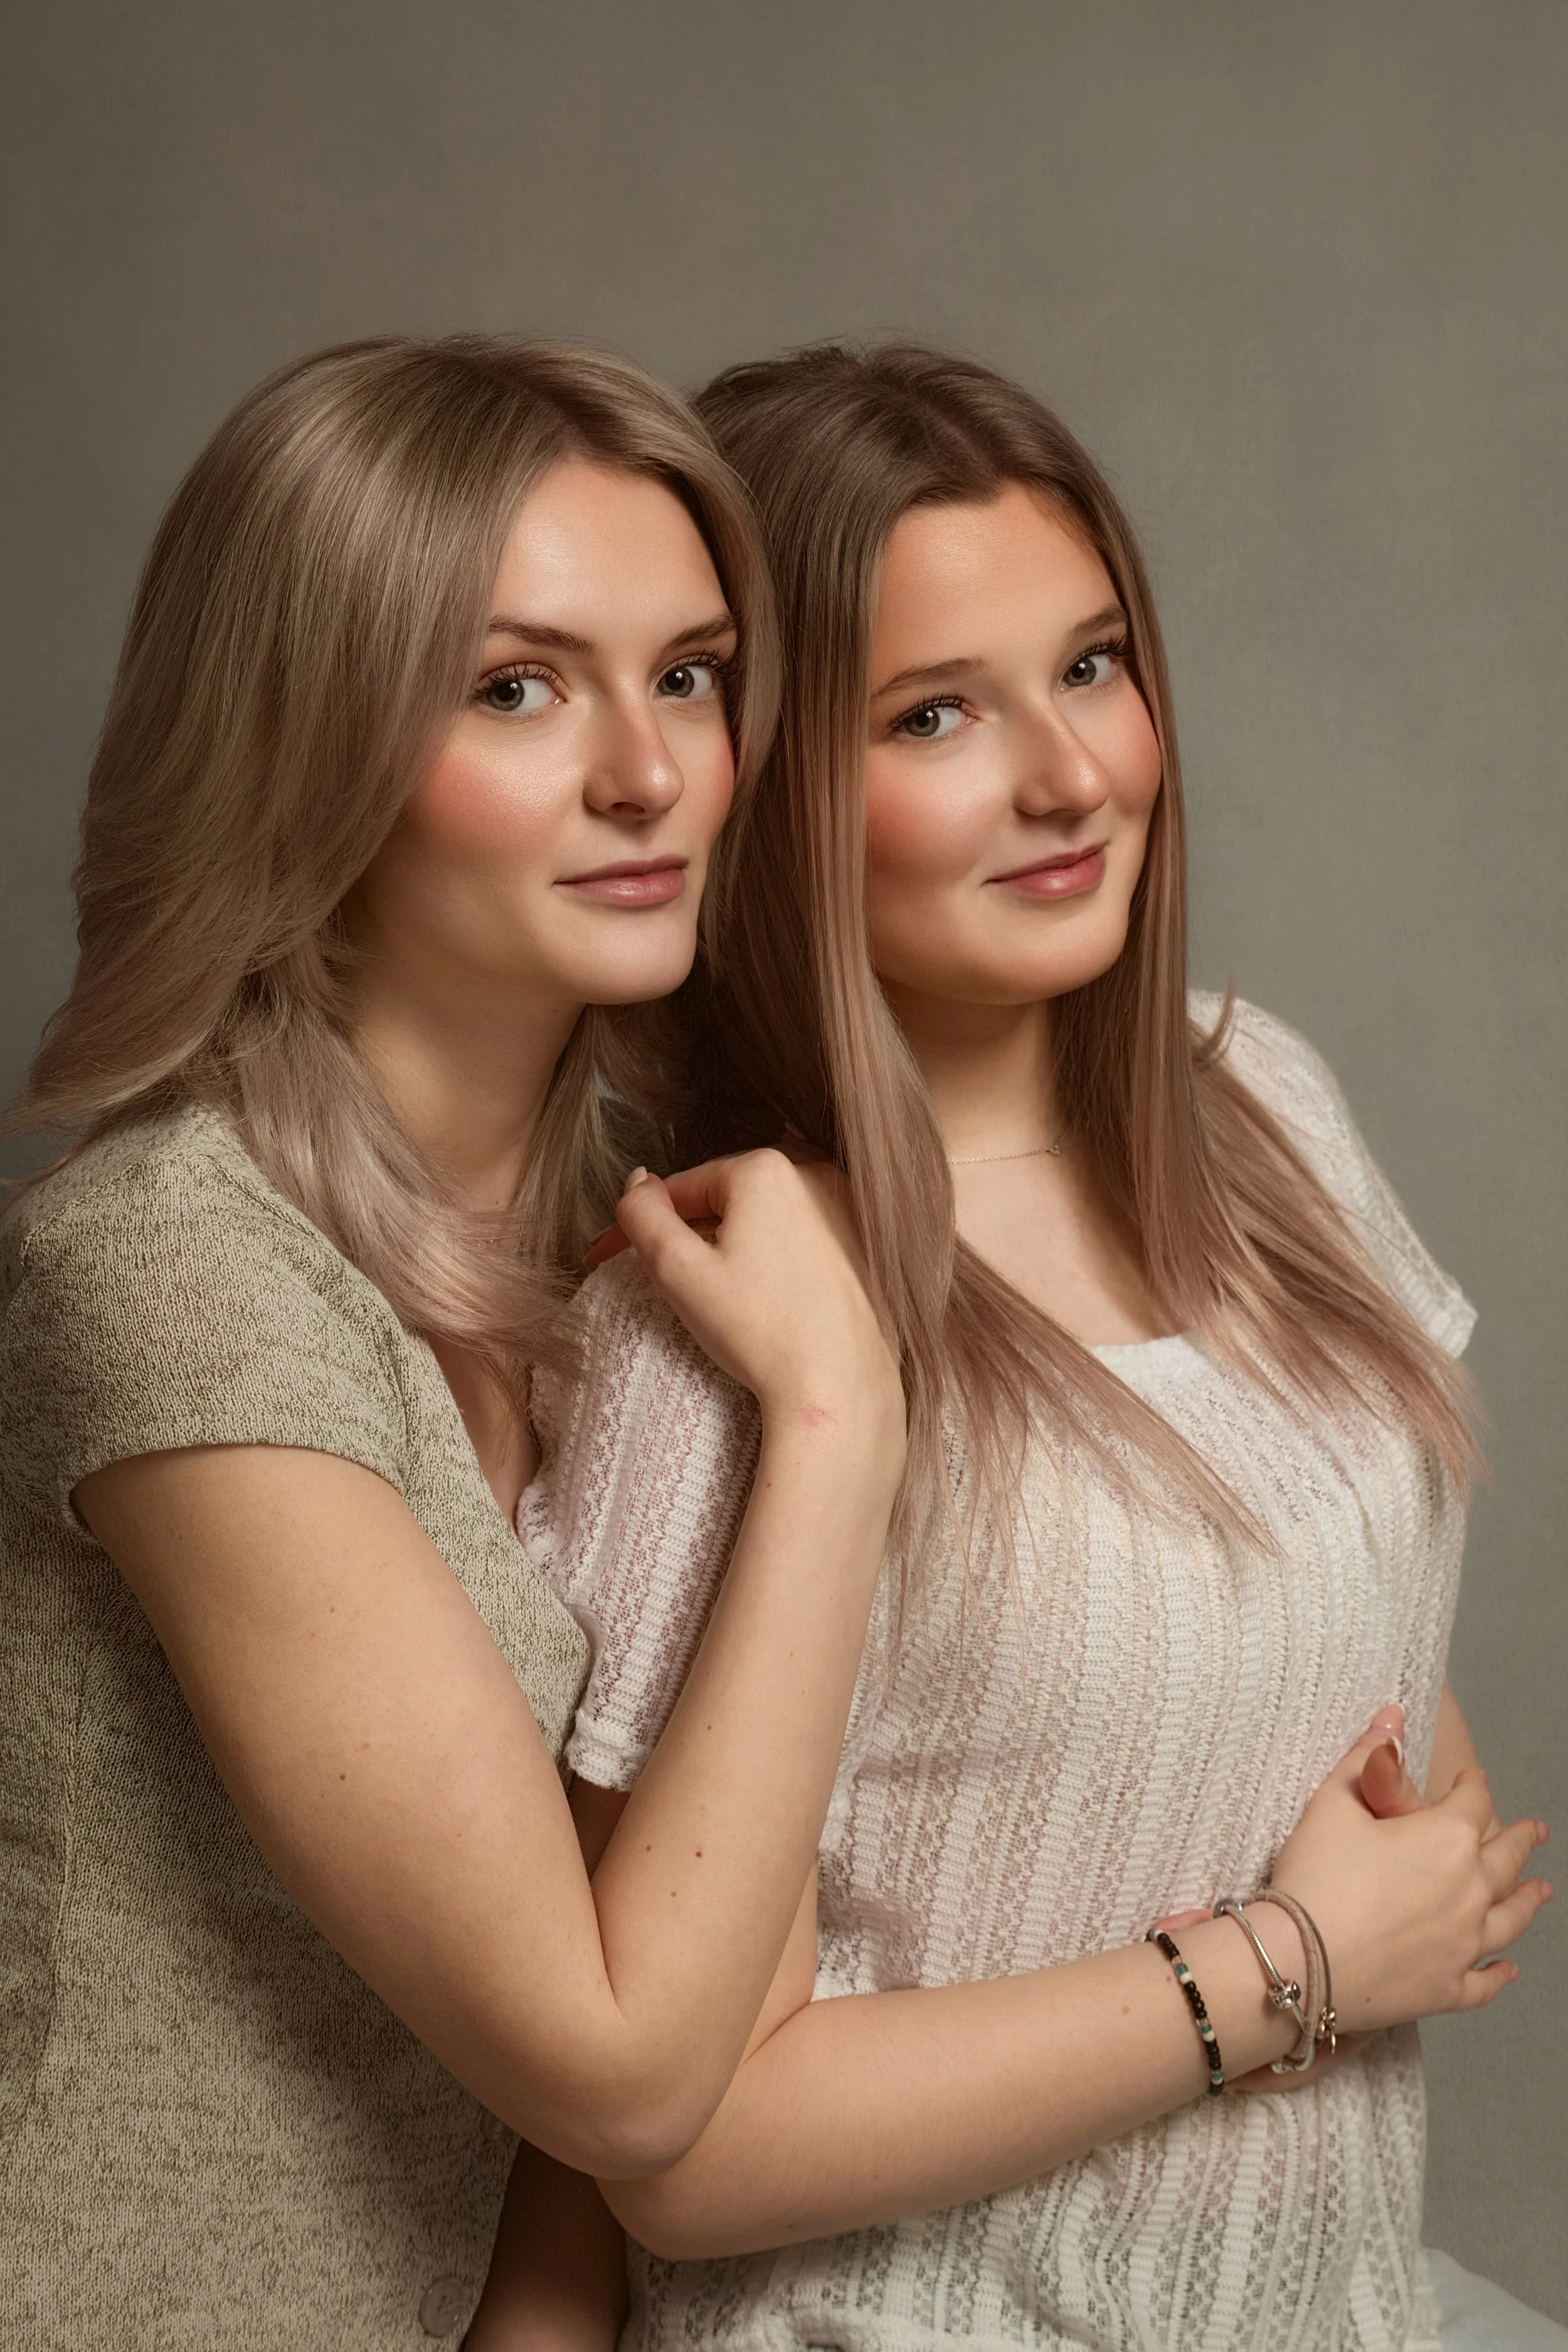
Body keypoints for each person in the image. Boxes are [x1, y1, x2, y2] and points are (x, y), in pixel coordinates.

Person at [476, 345, 1552, 2351]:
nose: (1069, 774)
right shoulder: (709, 1321)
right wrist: (1291, 1960)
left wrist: (1357, 1864)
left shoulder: (1271, 1109)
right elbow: (682, 2142)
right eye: (936, 714)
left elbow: (1380, 1715)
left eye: (1092, 665)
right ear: (784, 787)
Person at [0, 336, 909, 2349]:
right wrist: (841, 1426)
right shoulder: (171, 1262)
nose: (647, 770)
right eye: (516, 686)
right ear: (307, 737)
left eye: (686, 674)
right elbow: (615, 2064)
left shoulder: (660, 1233)